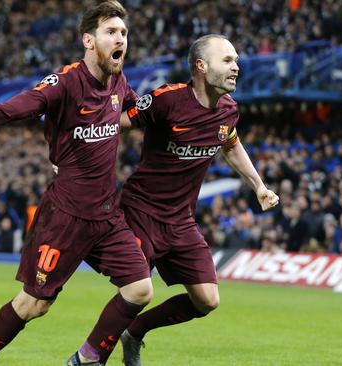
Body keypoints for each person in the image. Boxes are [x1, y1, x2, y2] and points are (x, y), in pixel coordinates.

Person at [0, 2, 153, 365]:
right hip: (64, 217)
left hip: (106, 217)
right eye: (111, 32)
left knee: (140, 289)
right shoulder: (67, 81)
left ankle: (86, 359)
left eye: (124, 33)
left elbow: (135, 111)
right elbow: (31, 102)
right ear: (88, 40)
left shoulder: (119, 81)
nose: (121, 40)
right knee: (35, 304)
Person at [116, 34, 280, 365]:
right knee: (136, 291)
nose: (236, 67)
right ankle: (91, 356)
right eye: (228, 60)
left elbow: (231, 145)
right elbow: (116, 122)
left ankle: (134, 332)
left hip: (181, 219)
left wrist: (258, 186)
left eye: (236, 60)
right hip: (141, 212)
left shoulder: (228, 111)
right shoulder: (167, 100)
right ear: (201, 67)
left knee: (207, 300)